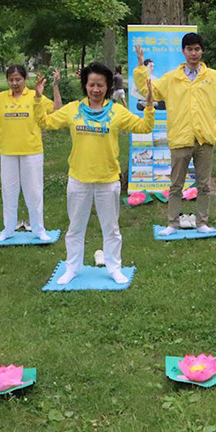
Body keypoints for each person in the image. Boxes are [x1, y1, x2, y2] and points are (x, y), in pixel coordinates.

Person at [35, 63, 155, 285]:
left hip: (107, 180)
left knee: (111, 229)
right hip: (78, 179)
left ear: (108, 86)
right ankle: (72, 268)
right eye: (92, 84)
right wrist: (38, 98)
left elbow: (144, 128)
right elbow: (45, 122)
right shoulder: (73, 109)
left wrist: (149, 106)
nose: (96, 89)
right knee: (75, 228)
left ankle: (114, 268)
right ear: (85, 85)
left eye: (100, 85)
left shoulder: (117, 111)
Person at [133, 33, 216, 235]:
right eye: (189, 49)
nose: (193, 53)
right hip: (180, 137)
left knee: (204, 184)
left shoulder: (212, 77)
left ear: (202, 51)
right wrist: (141, 66)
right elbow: (148, 90)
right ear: (183, 51)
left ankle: (202, 222)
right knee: (176, 184)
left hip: (205, 137)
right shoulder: (171, 78)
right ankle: (172, 223)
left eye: (197, 49)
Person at [0, 65, 62, 242]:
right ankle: (8, 229)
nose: (14, 83)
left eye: (18, 79)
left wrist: (55, 87)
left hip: (32, 151)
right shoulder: (0, 98)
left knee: (34, 192)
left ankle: (38, 229)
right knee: (9, 191)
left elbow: (56, 108)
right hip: (8, 151)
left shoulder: (35, 96)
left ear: (25, 78)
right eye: (11, 80)